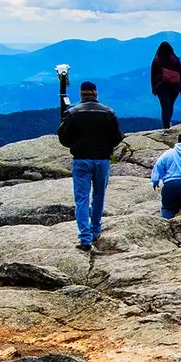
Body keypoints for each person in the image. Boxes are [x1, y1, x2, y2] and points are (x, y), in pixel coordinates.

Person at [57, 81, 124, 252]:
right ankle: (95, 230)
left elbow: (63, 138)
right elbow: (117, 137)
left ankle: (84, 238)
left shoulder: (72, 112)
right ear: (95, 93)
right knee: (99, 196)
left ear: (81, 94)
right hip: (102, 159)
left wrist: (76, 143)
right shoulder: (109, 112)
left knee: (81, 199)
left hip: (81, 159)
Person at [149, 41, 181, 131]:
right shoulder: (175, 59)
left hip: (161, 86)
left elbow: (153, 75)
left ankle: (166, 126)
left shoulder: (157, 60)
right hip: (175, 86)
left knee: (164, 106)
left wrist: (153, 87)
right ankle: (168, 123)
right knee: (170, 105)